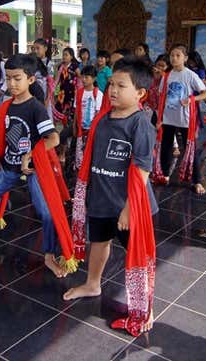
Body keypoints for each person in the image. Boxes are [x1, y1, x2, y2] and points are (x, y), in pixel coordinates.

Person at [64, 57, 158, 338]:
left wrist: (129, 209)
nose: (113, 90)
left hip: (131, 205)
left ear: (140, 93)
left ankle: (145, 307)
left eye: (121, 85)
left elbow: (142, 171)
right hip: (102, 200)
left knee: (137, 255)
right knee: (99, 243)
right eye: (111, 84)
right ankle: (93, 283)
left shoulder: (140, 124)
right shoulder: (103, 119)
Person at [0, 53, 71, 278]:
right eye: (8, 78)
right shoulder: (6, 105)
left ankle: (49, 254)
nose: (12, 84)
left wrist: (30, 154)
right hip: (9, 165)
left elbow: (53, 139)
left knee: (46, 213)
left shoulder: (35, 108)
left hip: (34, 168)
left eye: (17, 78)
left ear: (30, 79)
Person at [154, 44, 206, 194]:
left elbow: (205, 94)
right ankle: (165, 175)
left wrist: (192, 99)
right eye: (172, 55)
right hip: (168, 118)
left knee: (190, 149)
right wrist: (159, 118)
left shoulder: (190, 75)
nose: (174, 58)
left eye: (178, 55)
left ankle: (197, 180)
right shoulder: (167, 76)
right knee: (166, 148)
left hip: (185, 119)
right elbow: (162, 97)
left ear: (185, 58)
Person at [73, 65, 103, 171]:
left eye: (87, 77)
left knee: (91, 150)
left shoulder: (98, 94)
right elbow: (77, 110)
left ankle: (90, 169)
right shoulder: (79, 93)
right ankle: (81, 169)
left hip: (92, 129)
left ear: (94, 78)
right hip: (81, 128)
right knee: (80, 150)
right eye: (83, 77)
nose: (84, 80)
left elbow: (98, 113)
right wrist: (74, 126)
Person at [54, 47, 79, 125]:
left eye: (66, 55)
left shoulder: (74, 66)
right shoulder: (60, 67)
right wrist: (52, 89)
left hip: (72, 92)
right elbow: (57, 80)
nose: (64, 57)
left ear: (71, 56)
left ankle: (70, 126)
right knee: (60, 108)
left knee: (71, 109)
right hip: (62, 92)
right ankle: (62, 126)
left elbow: (80, 77)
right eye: (63, 55)